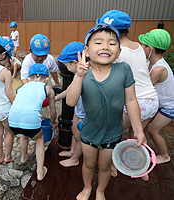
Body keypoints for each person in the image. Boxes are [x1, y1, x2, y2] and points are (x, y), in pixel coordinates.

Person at [66, 24, 146, 200]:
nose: (105, 47)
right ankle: (87, 188)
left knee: (104, 166)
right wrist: (78, 76)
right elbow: (70, 101)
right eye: (98, 42)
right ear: (86, 50)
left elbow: (131, 100)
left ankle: (100, 190)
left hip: (113, 134)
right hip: (88, 132)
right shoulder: (83, 73)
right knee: (88, 163)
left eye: (111, 43)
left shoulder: (123, 69)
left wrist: (139, 130)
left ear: (118, 51)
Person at [97, 10, 159, 180]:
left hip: (136, 100)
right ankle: (143, 170)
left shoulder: (117, 52)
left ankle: (112, 166)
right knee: (137, 134)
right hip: (151, 100)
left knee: (112, 133)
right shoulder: (138, 46)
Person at [9, 63, 57, 181]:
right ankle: (40, 171)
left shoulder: (21, 87)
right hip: (30, 119)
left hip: (12, 119)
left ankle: (24, 156)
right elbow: (52, 111)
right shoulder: (47, 88)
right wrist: (53, 122)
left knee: (24, 135)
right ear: (47, 78)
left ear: (29, 78)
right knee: (39, 139)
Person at [139, 29, 174, 164]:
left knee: (153, 130)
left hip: (169, 107)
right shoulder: (150, 63)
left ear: (149, 48)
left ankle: (165, 155)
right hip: (159, 103)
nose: (141, 47)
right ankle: (141, 151)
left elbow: (144, 89)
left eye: (143, 45)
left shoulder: (159, 69)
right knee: (142, 128)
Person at [54, 42, 85, 167]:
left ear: (74, 62)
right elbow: (68, 91)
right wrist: (55, 98)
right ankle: (72, 151)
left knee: (78, 136)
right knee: (73, 130)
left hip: (85, 113)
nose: (66, 68)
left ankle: (75, 158)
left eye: (67, 65)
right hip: (78, 110)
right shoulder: (77, 75)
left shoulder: (84, 75)